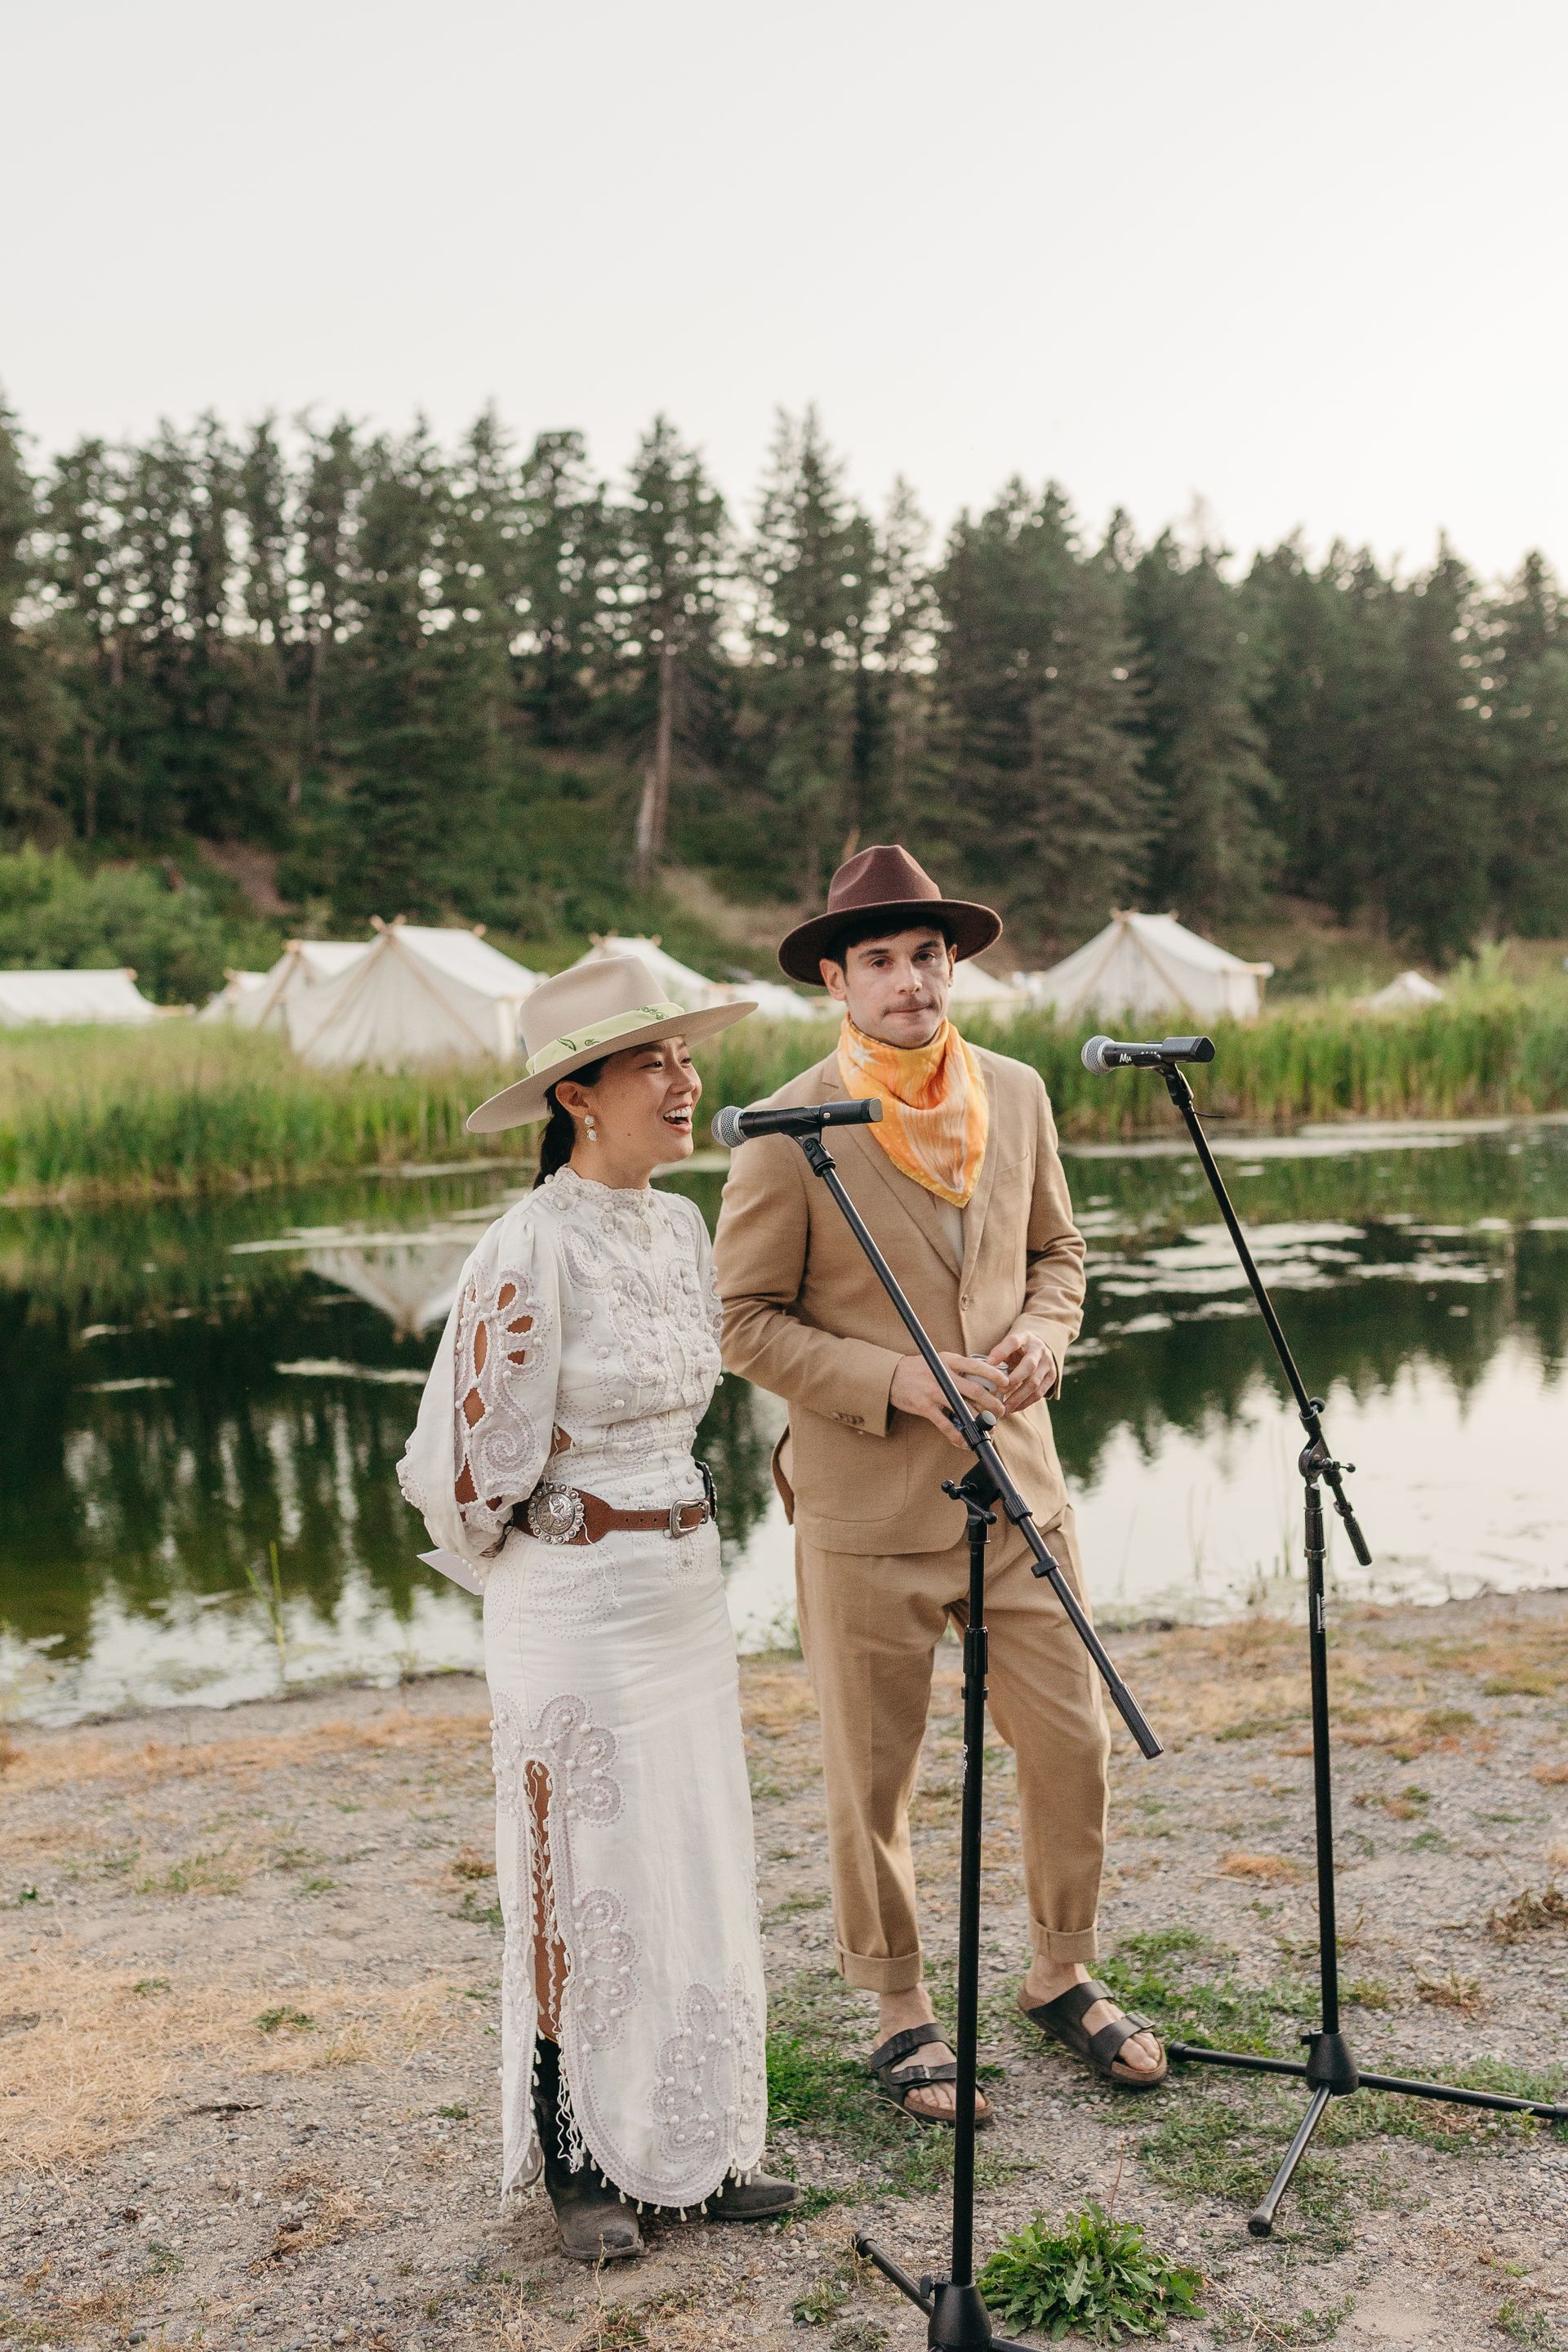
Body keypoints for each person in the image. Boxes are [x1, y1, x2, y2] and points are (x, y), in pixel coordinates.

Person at [713, 845, 1165, 2127]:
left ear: (951, 964)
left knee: (1071, 1739)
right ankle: (901, 2010)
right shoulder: (786, 1130)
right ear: (837, 983)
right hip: (866, 1511)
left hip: (1022, 1495)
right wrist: (895, 1380)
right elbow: (742, 1322)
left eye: (927, 956)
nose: (908, 981)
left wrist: (1047, 1333)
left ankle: (1059, 1974)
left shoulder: (1017, 1094)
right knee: (876, 1773)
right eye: (880, 962)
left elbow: (1058, 1254)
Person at [399, 955, 798, 2262]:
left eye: (687, 1059)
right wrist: (563, 1538)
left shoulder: (681, 1229)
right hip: (574, 1601)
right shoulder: (527, 1245)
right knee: (582, 1872)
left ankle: (693, 2140)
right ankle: (581, 2162)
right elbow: (465, 1472)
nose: (688, 1084)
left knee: (686, 1854)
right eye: (655, 1064)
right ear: (578, 1095)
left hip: (686, 1591)